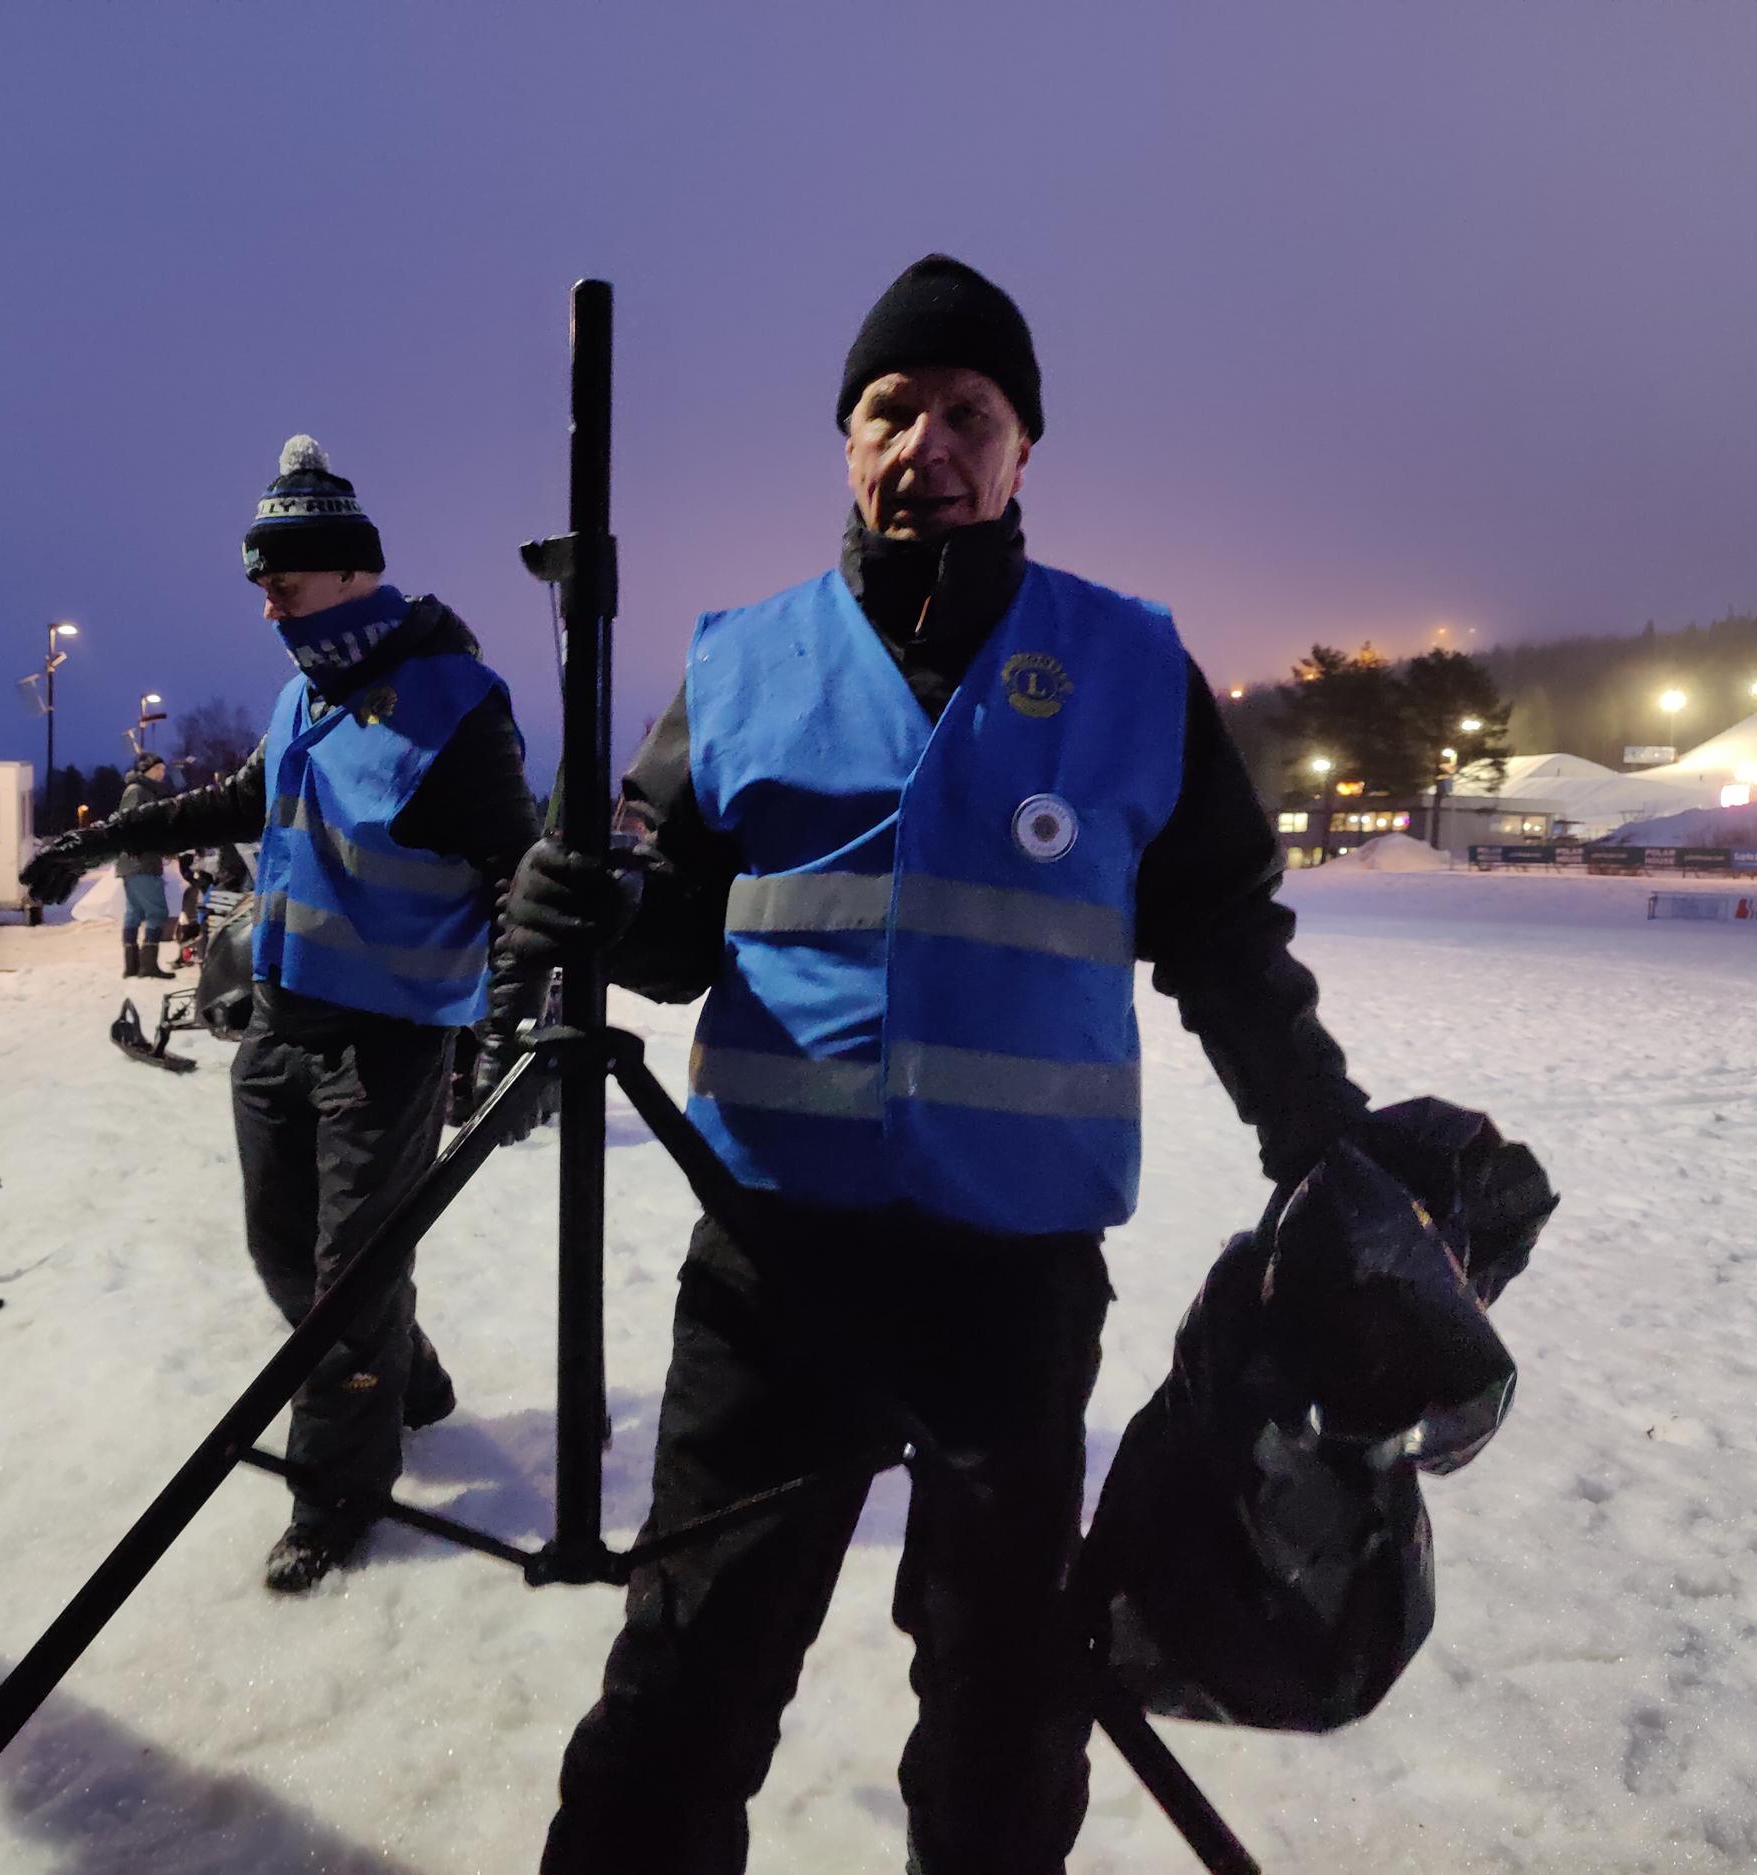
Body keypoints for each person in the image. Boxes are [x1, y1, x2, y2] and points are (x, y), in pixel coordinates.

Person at [509, 255, 1385, 1874]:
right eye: (891, 409)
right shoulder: (739, 663)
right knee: (687, 1676)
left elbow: (1222, 932)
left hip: (1013, 1282)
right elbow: (673, 931)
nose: (930, 443)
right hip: (775, 1263)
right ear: (846, 441)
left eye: (969, 412)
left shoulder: (1130, 665)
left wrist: (1317, 1134)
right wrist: (591, 908)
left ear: (1024, 445)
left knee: (1004, 1702)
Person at [23, 436, 546, 1592]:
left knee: (345, 1285)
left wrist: (510, 1033)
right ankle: (410, 1383)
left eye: (285, 585)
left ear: (354, 573)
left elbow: (520, 877)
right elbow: (236, 800)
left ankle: (336, 1498)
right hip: (278, 1025)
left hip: (390, 1040)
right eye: (260, 586)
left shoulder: (455, 704)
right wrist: (95, 842)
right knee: (283, 1253)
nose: (268, 609)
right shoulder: (305, 690)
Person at [114, 753, 175, 978]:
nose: (162, 773)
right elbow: (133, 825)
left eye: (163, 769)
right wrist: (162, 844)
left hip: (137, 862)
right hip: (141, 862)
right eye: (157, 769)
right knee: (157, 912)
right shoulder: (138, 791)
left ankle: (132, 966)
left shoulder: (144, 791)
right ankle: (147, 966)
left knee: (135, 912)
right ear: (145, 769)